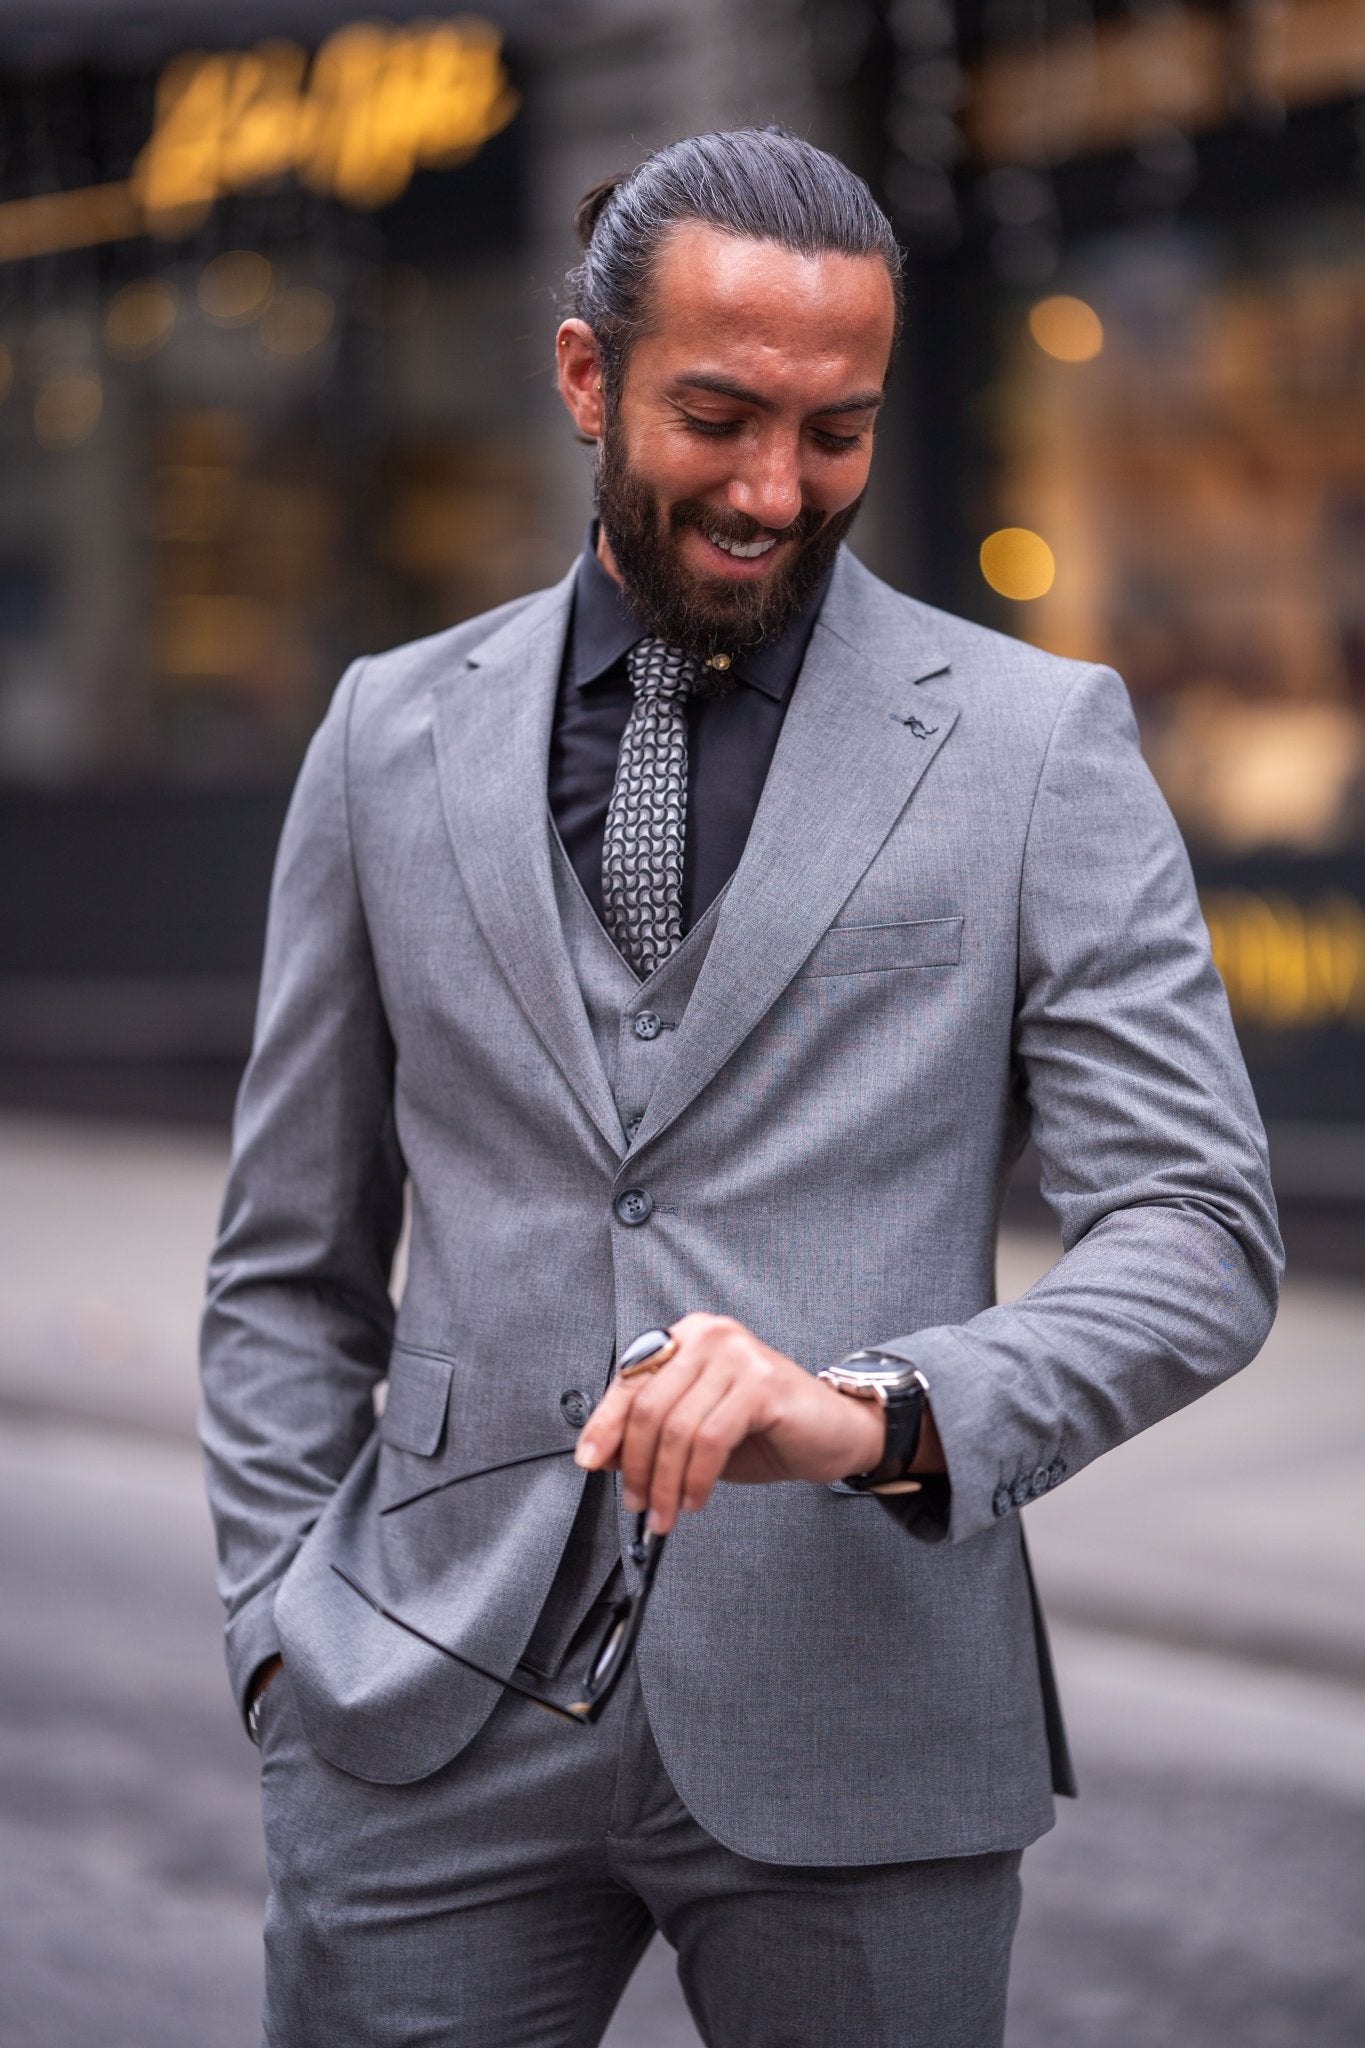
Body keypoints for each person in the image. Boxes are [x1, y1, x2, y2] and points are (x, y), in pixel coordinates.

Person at [200, 128, 1281, 2048]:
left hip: (860, 1706)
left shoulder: (1035, 746)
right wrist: (282, 1636)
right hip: (419, 1692)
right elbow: (288, 1255)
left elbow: (1196, 1233)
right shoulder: (386, 732)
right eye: (717, 414)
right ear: (585, 375)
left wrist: (881, 1413)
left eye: (839, 429)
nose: (777, 489)